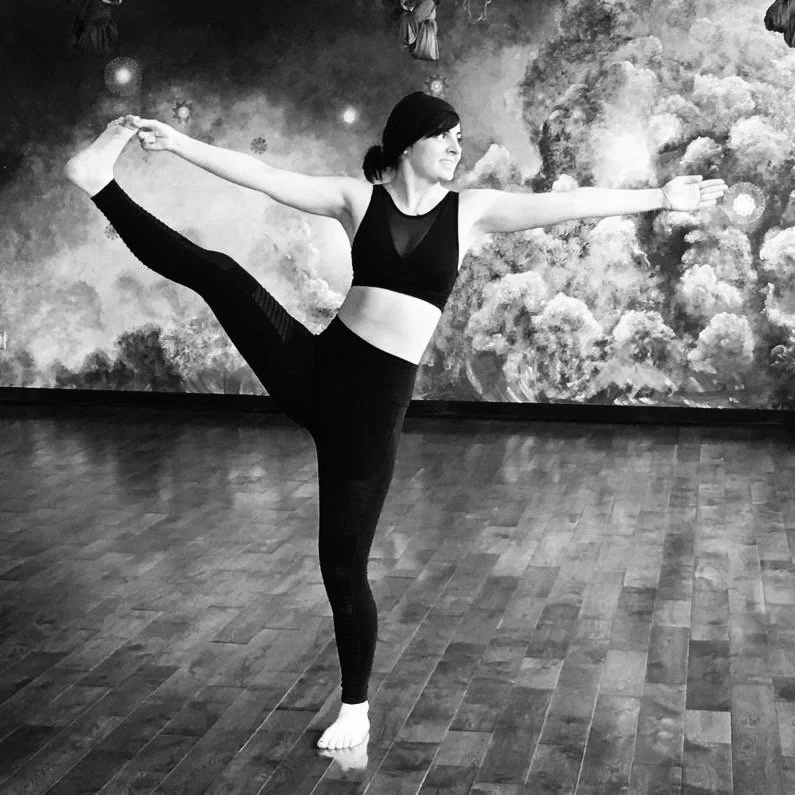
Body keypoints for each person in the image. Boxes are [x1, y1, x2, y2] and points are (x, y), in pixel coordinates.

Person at [63, 91, 727, 751]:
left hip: (368, 416)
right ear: (410, 141)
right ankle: (99, 182)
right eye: (446, 137)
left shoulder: (473, 212)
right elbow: (263, 175)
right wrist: (176, 144)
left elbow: (569, 203)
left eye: (459, 141)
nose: (455, 149)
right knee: (221, 273)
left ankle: (356, 708)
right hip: (314, 369)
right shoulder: (359, 201)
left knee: (342, 568)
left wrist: (661, 199)